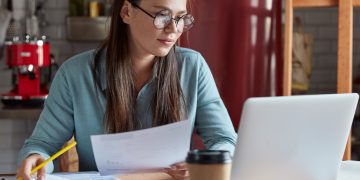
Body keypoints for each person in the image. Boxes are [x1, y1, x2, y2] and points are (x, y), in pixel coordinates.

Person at [16, 0, 237, 179]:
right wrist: (35, 157)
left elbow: (225, 140)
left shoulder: (193, 67)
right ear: (126, 11)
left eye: (180, 18)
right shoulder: (74, 74)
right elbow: (42, 145)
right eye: (162, 16)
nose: (174, 29)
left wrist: (203, 163)